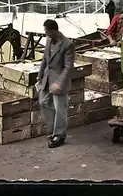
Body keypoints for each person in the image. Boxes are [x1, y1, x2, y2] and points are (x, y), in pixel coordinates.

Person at [36, 19, 75, 148]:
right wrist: (40, 75)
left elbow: (68, 67)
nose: (45, 33)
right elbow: (44, 59)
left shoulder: (67, 44)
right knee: (43, 102)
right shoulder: (48, 41)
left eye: (46, 31)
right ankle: (52, 128)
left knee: (60, 109)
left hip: (59, 80)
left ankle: (59, 134)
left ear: (53, 30)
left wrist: (59, 83)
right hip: (47, 78)